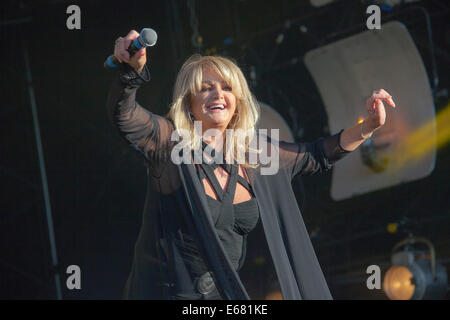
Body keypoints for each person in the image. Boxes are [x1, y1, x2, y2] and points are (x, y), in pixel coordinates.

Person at [106, 30, 396, 300]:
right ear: (189, 102)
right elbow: (125, 116)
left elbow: (316, 154)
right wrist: (131, 73)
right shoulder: (170, 142)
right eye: (206, 88)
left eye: (227, 88)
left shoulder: (256, 156)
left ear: (238, 101)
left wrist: (368, 126)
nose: (218, 94)